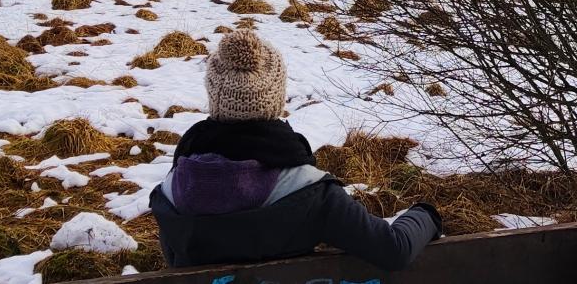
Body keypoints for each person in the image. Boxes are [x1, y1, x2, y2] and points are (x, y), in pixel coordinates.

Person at [151, 28, 443, 270]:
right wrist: (426, 214)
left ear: (215, 96)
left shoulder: (174, 192)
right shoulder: (313, 194)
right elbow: (393, 249)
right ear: (276, 98)